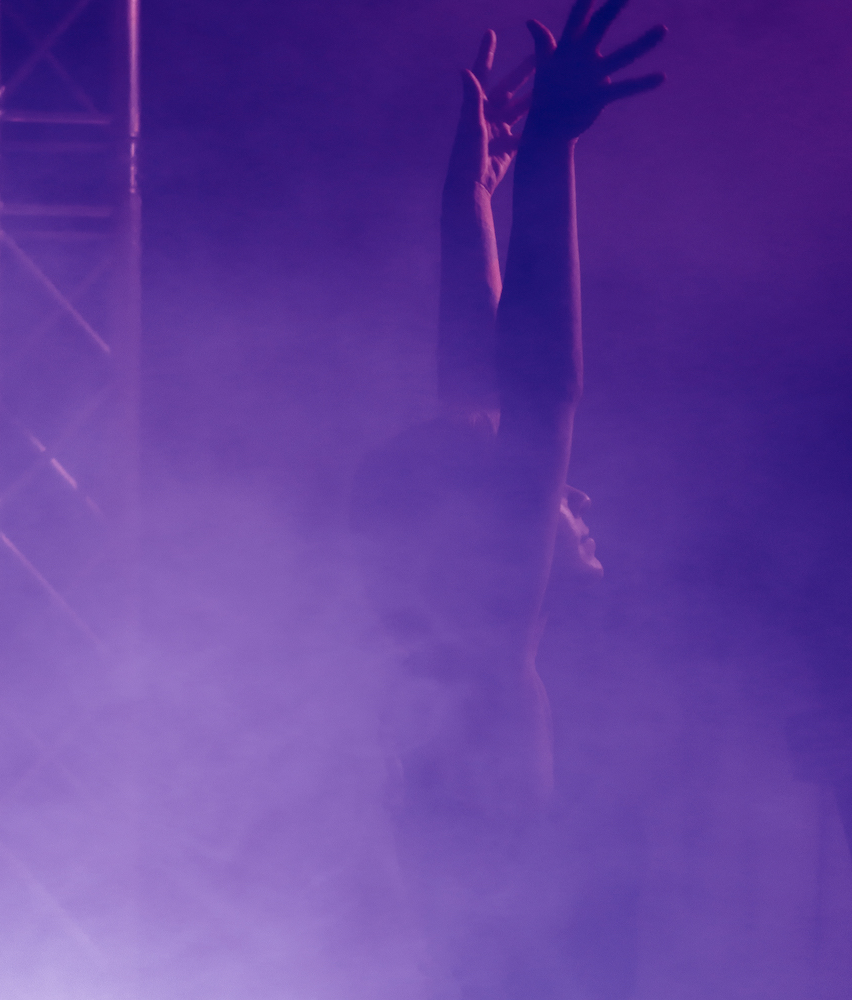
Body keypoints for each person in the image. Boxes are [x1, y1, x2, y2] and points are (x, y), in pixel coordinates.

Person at [350, 3, 665, 996]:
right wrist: (550, 151)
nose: (575, 496)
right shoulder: (487, 671)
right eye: (553, 494)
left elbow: (491, 401)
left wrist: (474, 198)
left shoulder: (454, 674)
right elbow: (539, 393)